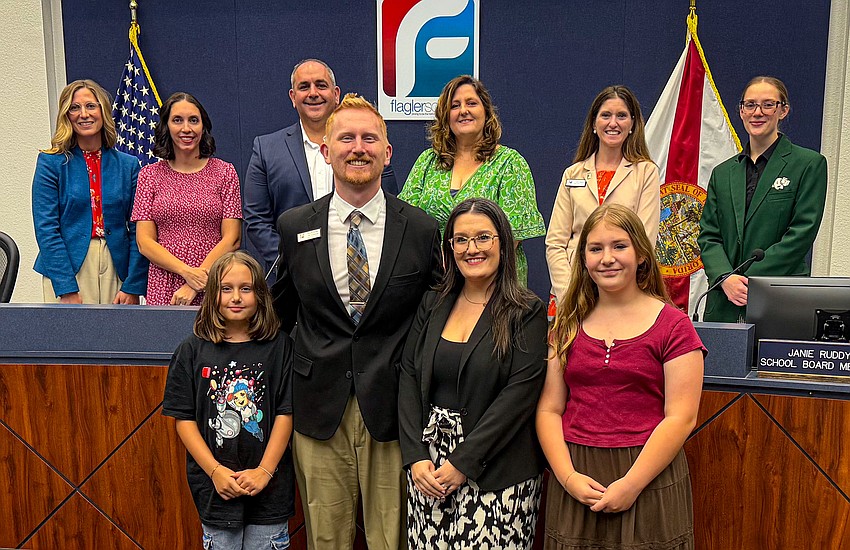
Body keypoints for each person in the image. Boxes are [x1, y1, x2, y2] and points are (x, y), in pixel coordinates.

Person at [272, 93, 442, 549]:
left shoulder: (423, 231)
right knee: (326, 539)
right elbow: (278, 313)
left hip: (394, 410)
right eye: (346, 137)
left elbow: (437, 321)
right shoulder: (294, 227)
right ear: (326, 151)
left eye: (370, 138)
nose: (358, 147)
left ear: (388, 153)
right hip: (316, 407)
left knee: (392, 539)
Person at [537, 204, 705, 549]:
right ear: (583, 258)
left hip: (648, 478)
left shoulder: (674, 326)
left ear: (641, 255)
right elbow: (549, 410)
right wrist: (567, 478)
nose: (607, 258)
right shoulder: (567, 324)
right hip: (577, 474)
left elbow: (681, 417)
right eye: (595, 248)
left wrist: (631, 484)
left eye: (619, 246)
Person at [399, 198, 548, 549]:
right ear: (449, 247)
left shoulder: (526, 311)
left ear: (504, 243)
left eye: (483, 237)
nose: (472, 249)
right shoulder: (432, 302)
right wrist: (415, 456)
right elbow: (408, 374)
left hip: (497, 475)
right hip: (430, 475)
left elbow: (517, 397)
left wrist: (462, 463)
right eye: (461, 240)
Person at [163, 251, 294, 550]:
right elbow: (183, 420)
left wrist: (264, 471)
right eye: (226, 288)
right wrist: (215, 471)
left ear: (260, 294)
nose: (236, 297)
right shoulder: (191, 350)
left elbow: (286, 414)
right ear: (212, 295)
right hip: (215, 492)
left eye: (245, 288)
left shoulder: (281, 347)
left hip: (270, 493)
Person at [243, 59, 397, 279]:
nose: (313, 93)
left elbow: (388, 205)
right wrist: (292, 262)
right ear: (292, 97)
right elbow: (257, 219)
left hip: (361, 271)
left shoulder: (365, 149)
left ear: (336, 94)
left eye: (321, 85)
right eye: (304, 87)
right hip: (293, 281)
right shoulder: (266, 149)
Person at [698, 76, 828, 322]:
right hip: (725, 300)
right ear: (741, 111)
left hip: (779, 300)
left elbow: (802, 232)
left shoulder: (809, 164)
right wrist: (726, 277)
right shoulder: (722, 173)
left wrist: (751, 281)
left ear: (783, 110)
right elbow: (709, 235)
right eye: (750, 105)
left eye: (768, 104)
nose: (758, 113)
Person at [399, 75, 545, 286]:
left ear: (486, 112)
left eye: (471, 103)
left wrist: (463, 262)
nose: (463, 110)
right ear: (445, 116)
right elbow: (406, 221)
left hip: (493, 286)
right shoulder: (427, 161)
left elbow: (510, 237)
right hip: (435, 282)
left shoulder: (510, 163)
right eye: (455, 105)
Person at [32, 79, 148, 304]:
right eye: (75, 108)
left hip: (117, 268)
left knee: (116, 338)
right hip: (68, 268)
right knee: (69, 338)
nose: (83, 114)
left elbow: (139, 229)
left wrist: (133, 285)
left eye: (91, 106)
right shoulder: (50, 163)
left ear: (103, 111)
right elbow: (46, 229)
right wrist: (66, 287)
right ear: (67, 115)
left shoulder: (128, 165)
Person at [546, 85, 660, 305]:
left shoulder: (646, 172)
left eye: (622, 116)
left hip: (622, 294)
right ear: (594, 124)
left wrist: (614, 291)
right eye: (606, 115)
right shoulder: (573, 173)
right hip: (572, 292)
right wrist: (569, 292)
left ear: (633, 124)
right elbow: (555, 243)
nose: (613, 123)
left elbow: (643, 241)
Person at [132, 92, 242, 306]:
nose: (186, 129)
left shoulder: (225, 172)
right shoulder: (149, 175)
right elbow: (144, 242)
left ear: (203, 126)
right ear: (166, 126)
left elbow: (232, 239)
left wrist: (196, 281)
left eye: (193, 120)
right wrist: (186, 272)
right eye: (177, 120)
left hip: (214, 280)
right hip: (165, 283)